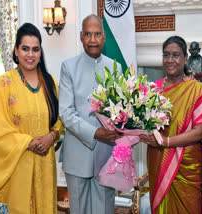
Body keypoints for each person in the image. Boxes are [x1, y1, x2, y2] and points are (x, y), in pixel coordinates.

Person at [0, 23, 63, 213]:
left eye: (35, 49)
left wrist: (52, 136)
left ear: (41, 52)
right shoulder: (4, 84)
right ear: (16, 50)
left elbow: (59, 120)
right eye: (25, 49)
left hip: (45, 164)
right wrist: (27, 142)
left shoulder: (50, 83)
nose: (30, 55)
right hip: (17, 166)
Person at [139, 36, 202, 214]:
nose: (170, 60)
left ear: (185, 58)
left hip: (187, 165)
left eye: (176, 55)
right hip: (158, 159)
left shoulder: (196, 90)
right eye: (166, 55)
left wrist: (166, 142)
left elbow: (199, 133)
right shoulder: (153, 89)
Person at [58, 14, 122, 214]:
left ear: (104, 37)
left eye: (96, 34)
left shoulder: (115, 67)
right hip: (78, 156)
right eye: (88, 34)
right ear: (80, 36)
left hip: (107, 157)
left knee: (105, 209)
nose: (92, 39)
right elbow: (66, 113)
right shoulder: (69, 67)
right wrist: (96, 133)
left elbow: (121, 110)